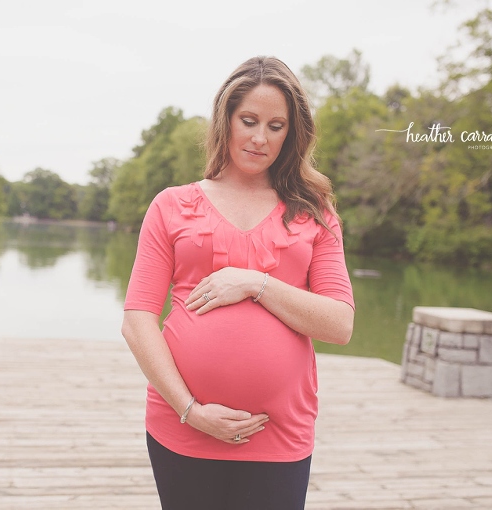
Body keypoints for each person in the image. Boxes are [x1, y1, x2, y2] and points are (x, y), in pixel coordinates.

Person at [121, 56, 355, 510]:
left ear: (292, 133)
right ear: (224, 120)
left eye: (275, 126)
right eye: (248, 121)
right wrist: (191, 410)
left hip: (280, 432)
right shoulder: (172, 206)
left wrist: (256, 283)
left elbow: (339, 324)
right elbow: (137, 321)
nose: (259, 138)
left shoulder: (314, 213)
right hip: (182, 426)